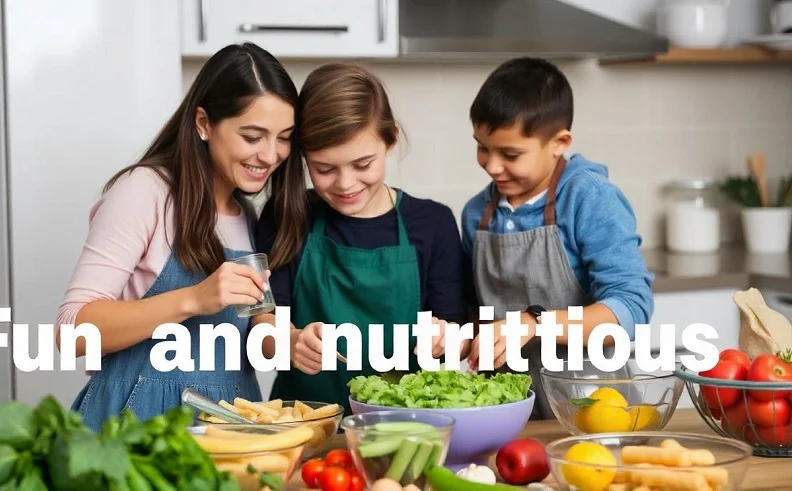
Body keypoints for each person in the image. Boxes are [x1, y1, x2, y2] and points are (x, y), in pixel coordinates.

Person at [55, 43, 308, 432]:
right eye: (253, 136)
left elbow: (256, 325)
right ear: (204, 123)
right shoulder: (145, 192)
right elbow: (73, 332)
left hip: (229, 427)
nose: (271, 155)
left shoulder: (249, 215)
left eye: (284, 138)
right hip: (135, 428)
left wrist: (291, 342)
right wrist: (193, 298)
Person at [253, 62, 469, 414]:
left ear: (390, 140)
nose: (345, 184)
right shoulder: (285, 216)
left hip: (407, 426)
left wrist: (446, 337)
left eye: (363, 164)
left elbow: (459, 334)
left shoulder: (433, 222)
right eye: (324, 169)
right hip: (303, 423)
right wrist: (290, 342)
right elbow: (261, 324)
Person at [461, 57, 654, 420]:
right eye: (482, 147)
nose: (491, 165)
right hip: (509, 414)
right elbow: (476, 313)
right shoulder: (476, 214)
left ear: (559, 142)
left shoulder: (589, 198)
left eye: (510, 154)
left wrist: (533, 323)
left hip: (593, 411)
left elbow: (631, 310)